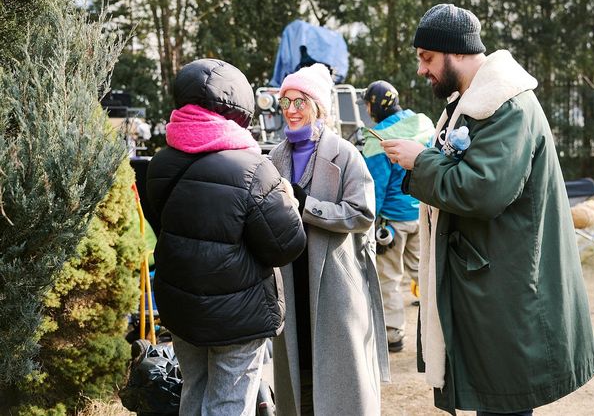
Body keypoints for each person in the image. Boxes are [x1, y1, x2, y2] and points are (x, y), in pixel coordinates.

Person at [381, 4, 594, 415]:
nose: (421, 70)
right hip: (489, 286)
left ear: (458, 51)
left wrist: (420, 161)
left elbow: (481, 191)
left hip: (509, 288)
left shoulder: (508, 107)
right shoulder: (467, 104)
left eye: (427, 58)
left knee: (506, 403)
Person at [146, 58, 307, 415]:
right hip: (238, 314)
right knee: (229, 404)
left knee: (193, 392)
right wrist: (288, 201)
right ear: (239, 109)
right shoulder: (253, 168)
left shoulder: (161, 163)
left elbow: (165, 224)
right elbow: (286, 245)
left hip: (181, 305)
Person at [269, 63, 390, 415]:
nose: (291, 111)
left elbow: (363, 212)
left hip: (335, 285)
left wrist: (308, 206)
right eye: (285, 102)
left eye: (299, 102)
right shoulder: (275, 157)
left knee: (339, 382)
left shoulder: (347, 154)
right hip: (291, 281)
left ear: (318, 106)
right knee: (298, 371)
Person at [360, 80, 434, 352]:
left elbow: (374, 186)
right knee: (424, 273)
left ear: (376, 105)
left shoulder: (379, 136)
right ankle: (439, 328)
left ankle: (393, 335)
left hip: (391, 221)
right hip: (422, 212)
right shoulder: (423, 124)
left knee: (389, 278)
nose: (368, 110)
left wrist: (367, 222)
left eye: (368, 104)